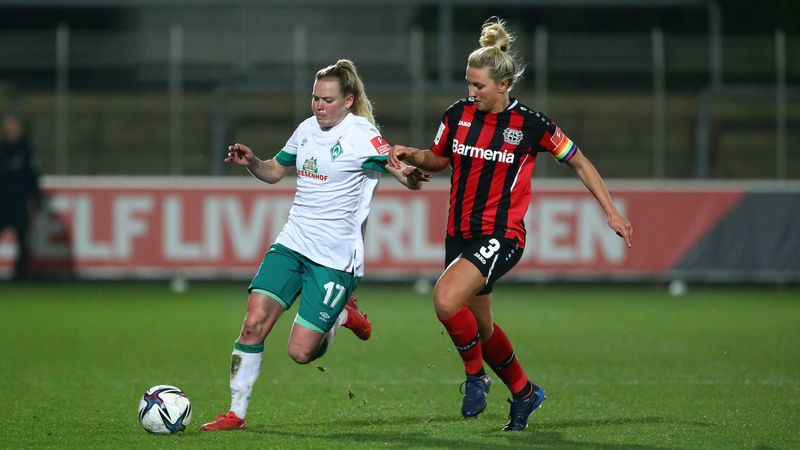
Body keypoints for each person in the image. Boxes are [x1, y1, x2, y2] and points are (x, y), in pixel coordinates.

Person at [388, 17, 633, 431]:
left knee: (445, 301)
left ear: (503, 85)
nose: (472, 92)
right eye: (469, 84)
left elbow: (578, 160)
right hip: (459, 234)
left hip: (502, 235)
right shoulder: (457, 114)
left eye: (479, 86)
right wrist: (414, 154)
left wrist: (610, 210)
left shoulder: (531, 125)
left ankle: (475, 378)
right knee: (482, 329)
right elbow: (440, 159)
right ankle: (524, 392)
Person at [200, 59, 429, 431]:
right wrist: (253, 162)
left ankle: (341, 315)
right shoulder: (306, 129)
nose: (319, 106)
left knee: (301, 352)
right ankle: (236, 413)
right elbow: (275, 170)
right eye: (315, 98)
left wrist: (413, 176)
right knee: (253, 322)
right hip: (293, 242)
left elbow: (402, 174)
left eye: (327, 99)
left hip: (335, 258)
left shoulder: (362, 134)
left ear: (348, 100)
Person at [0, 113, 41, 281]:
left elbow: (33, 177)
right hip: (1, 203)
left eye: (13, 129)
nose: (10, 132)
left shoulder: (26, 150)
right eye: (7, 129)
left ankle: (21, 275)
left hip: (20, 204)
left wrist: (34, 200)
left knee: (23, 240)